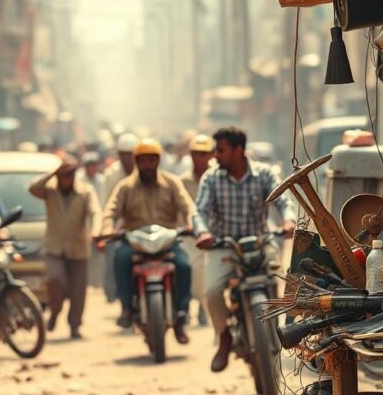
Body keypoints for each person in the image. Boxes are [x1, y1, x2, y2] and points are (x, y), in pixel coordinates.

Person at [194, 127, 297, 372]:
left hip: (261, 242)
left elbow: (283, 200)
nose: (215, 156)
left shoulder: (265, 174)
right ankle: (224, 337)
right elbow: (199, 210)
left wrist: (288, 220)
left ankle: (276, 330)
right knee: (211, 290)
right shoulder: (211, 178)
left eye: (220, 150)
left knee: (279, 278)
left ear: (237, 150)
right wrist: (203, 232)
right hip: (224, 246)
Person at [99, 138, 200, 345]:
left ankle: (181, 314)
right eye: (143, 161)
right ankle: (127, 308)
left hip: (167, 240)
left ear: (158, 161)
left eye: (151, 160)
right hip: (134, 240)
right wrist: (107, 228)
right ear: (137, 162)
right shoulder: (125, 186)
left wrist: (192, 224)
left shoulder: (171, 182)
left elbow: (188, 206)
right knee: (120, 258)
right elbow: (110, 210)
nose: (147, 165)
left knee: (184, 265)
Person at [29, 158, 101, 340]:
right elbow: (32, 188)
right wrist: (53, 172)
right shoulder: (50, 191)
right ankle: (55, 311)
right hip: (55, 248)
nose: (65, 180)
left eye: (69, 175)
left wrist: (96, 231)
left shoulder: (85, 192)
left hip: (78, 248)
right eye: (62, 176)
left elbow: (95, 212)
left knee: (78, 291)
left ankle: (75, 326)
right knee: (55, 279)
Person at [98, 132, 138, 301]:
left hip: (143, 226)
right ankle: (123, 301)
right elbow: (106, 205)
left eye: (130, 155)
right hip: (118, 229)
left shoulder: (146, 172)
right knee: (117, 259)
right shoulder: (111, 175)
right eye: (123, 155)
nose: (127, 159)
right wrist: (106, 228)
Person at [180, 134, 215, 326]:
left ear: (211, 155)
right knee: (187, 270)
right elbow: (179, 206)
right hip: (189, 235)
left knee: (210, 275)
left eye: (204, 154)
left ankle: (204, 310)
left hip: (213, 234)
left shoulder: (216, 177)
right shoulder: (182, 181)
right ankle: (183, 309)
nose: (200, 158)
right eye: (196, 154)